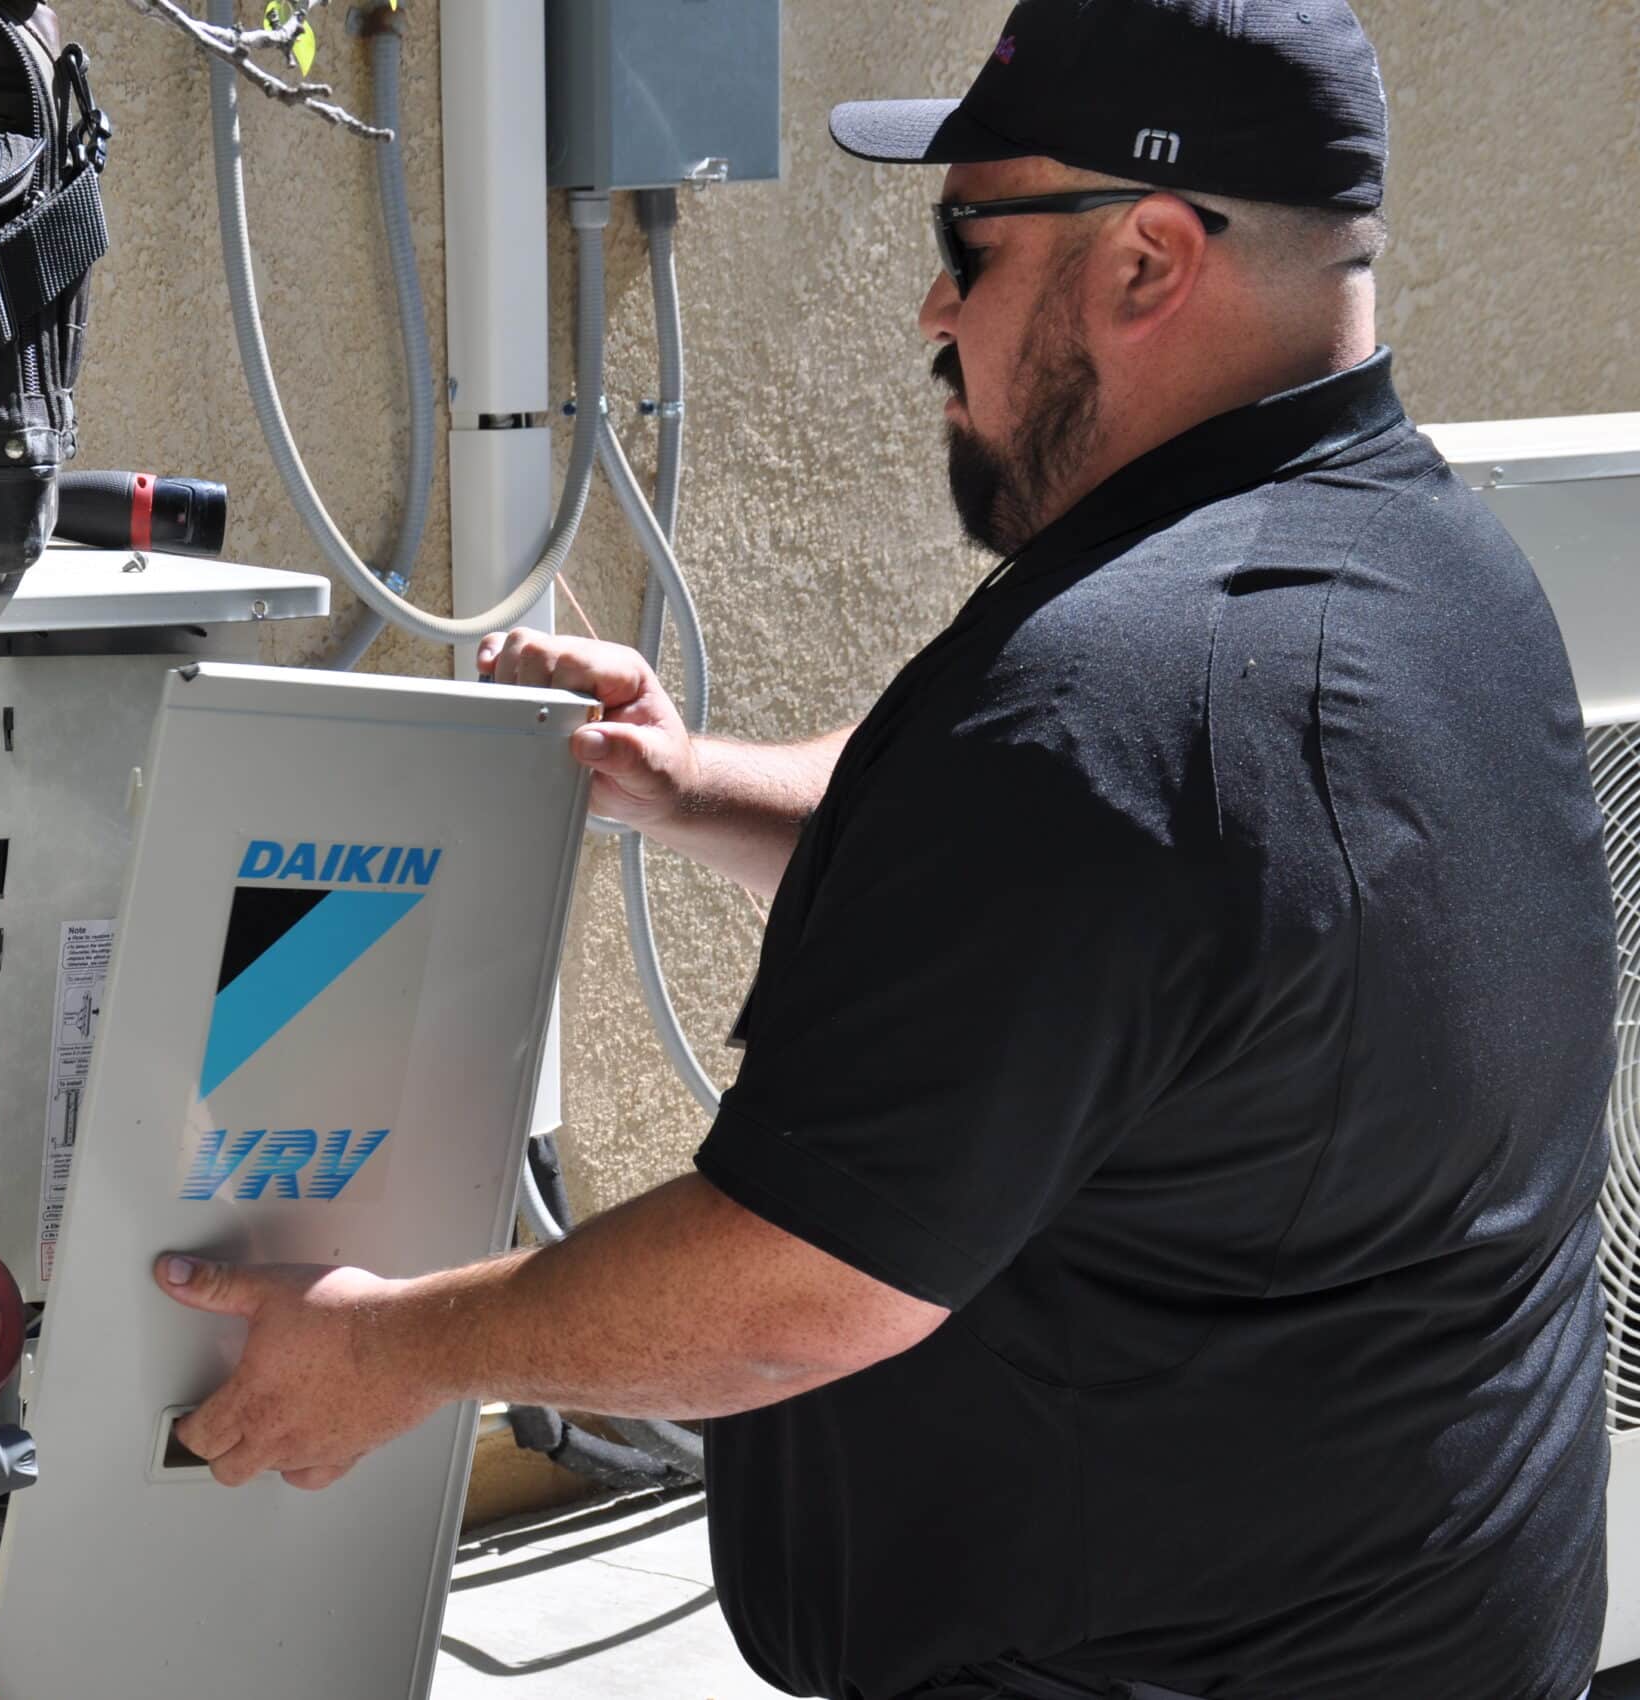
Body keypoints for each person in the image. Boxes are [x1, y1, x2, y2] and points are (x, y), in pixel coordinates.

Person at [152, 3, 1615, 1695]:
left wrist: (401, 1348)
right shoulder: (1432, 583)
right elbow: (1116, 954)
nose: (933, 307)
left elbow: (794, 1288)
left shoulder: (1130, 704)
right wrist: (686, 784)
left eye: (965, 243)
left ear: (1148, 258)